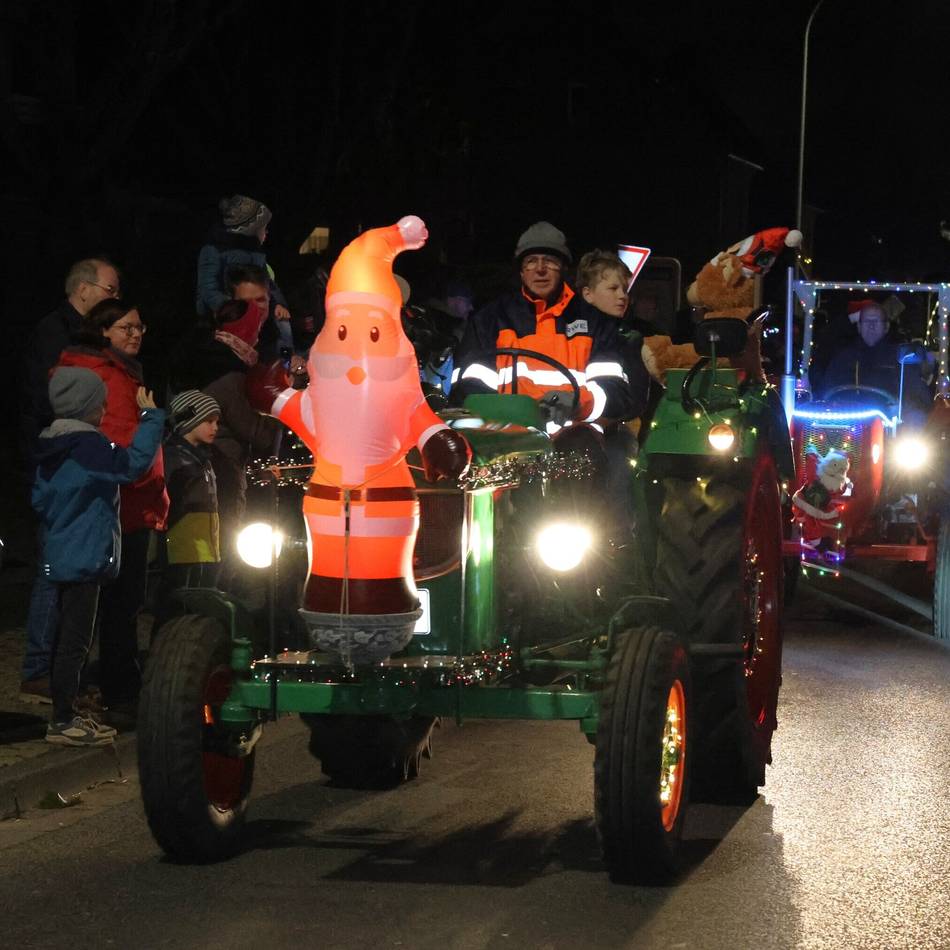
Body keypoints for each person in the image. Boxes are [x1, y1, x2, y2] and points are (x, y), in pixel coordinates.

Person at [33, 367, 163, 745]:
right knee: (76, 640)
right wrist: (151, 418)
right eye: (101, 402)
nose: (105, 407)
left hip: (59, 548)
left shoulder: (51, 446)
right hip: (85, 554)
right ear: (88, 406)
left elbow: (40, 498)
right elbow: (133, 465)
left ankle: (64, 713)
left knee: (62, 638)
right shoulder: (89, 446)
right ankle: (62, 720)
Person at [56, 299, 169, 722]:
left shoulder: (121, 373)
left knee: (116, 604)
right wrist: (151, 419)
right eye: (126, 328)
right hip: (118, 506)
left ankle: (109, 685)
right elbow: (119, 445)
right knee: (116, 605)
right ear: (104, 331)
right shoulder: (105, 377)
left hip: (128, 505)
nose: (136, 334)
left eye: (140, 327)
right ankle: (117, 692)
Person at [18, 258, 122, 703]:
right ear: (83, 290)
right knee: (53, 570)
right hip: (60, 461)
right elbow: (46, 399)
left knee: (69, 571)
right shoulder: (55, 334)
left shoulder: (81, 336)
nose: (115, 299)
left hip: (72, 459)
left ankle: (59, 670)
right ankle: (40, 668)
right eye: (110, 290)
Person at [452, 221, 641, 429]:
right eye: (531, 261)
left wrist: (577, 403)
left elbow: (615, 393)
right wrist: (509, 424)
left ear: (564, 268)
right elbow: (467, 387)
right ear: (521, 272)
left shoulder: (595, 322)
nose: (540, 269)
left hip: (577, 440)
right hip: (505, 441)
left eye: (550, 261)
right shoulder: (489, 320)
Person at [169, 298, 285, 590]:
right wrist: (279, 405)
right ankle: (212, 605)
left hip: (197, 465)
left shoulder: (201, 359)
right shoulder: (230, 375)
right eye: (256, 328)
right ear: (245, 330)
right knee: (223, 541)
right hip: (223, 467)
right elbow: (258, 433)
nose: (259, 336)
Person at [195, 195, 294, 354]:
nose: (266, 232)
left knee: (282, 326)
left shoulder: (256, 253)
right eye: (263, 228)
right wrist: (233, 310)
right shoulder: (213, 251)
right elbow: (208, 288)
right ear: (249, 229)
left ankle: (286, 364)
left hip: (254, 311)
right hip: (225, 314)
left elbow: (266, 284)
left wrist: (277, 304)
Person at [820, 301, 931, 426]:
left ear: (886, 327)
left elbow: (919, 395)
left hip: (889, 427)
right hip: (849, 425)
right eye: (867, 321)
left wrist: (902, 407)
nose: (871, 326)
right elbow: (827, 392)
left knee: (917, 418)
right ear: (859, 327)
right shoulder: (843, 358)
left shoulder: (900, 358)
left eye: (876, 321)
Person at [159, 390, 221, 597]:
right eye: (208, 421)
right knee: (178, 601)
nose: (215, 427)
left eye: (216, 422)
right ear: (189, 421)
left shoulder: (202, 459)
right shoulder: (175, 460)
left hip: (202, 549)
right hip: (181, 549)